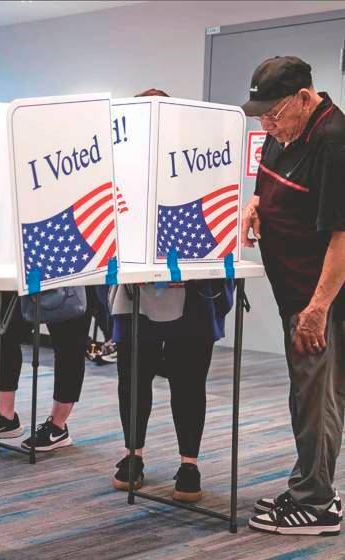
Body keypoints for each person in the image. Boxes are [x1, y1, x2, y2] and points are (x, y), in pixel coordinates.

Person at [109, 88, 235, 504]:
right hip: (133, 297)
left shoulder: (200, 163)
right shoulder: (118, 168)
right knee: (133, 381)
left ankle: (189, 464)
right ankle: (133, 456)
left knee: (188, 382)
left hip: (193, 296)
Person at [239, 57, 345, 536]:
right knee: (308, 396)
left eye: (274, 113)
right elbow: (269, 183)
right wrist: (255, 204)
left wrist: (317, 310)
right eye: (260, 115)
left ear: (305, 97)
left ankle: (316, 504)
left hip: (318, 299)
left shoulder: (332, 140)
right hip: (295, 292)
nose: (267, 124)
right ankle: (308, 486)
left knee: (316, 398)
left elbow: (344, 235)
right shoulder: (286, 134)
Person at [0, 294, 90, 452]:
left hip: (76, 276)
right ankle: (5, 416)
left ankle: (57, 427)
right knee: (2, 332)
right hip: (26, 274)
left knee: (69, 344)